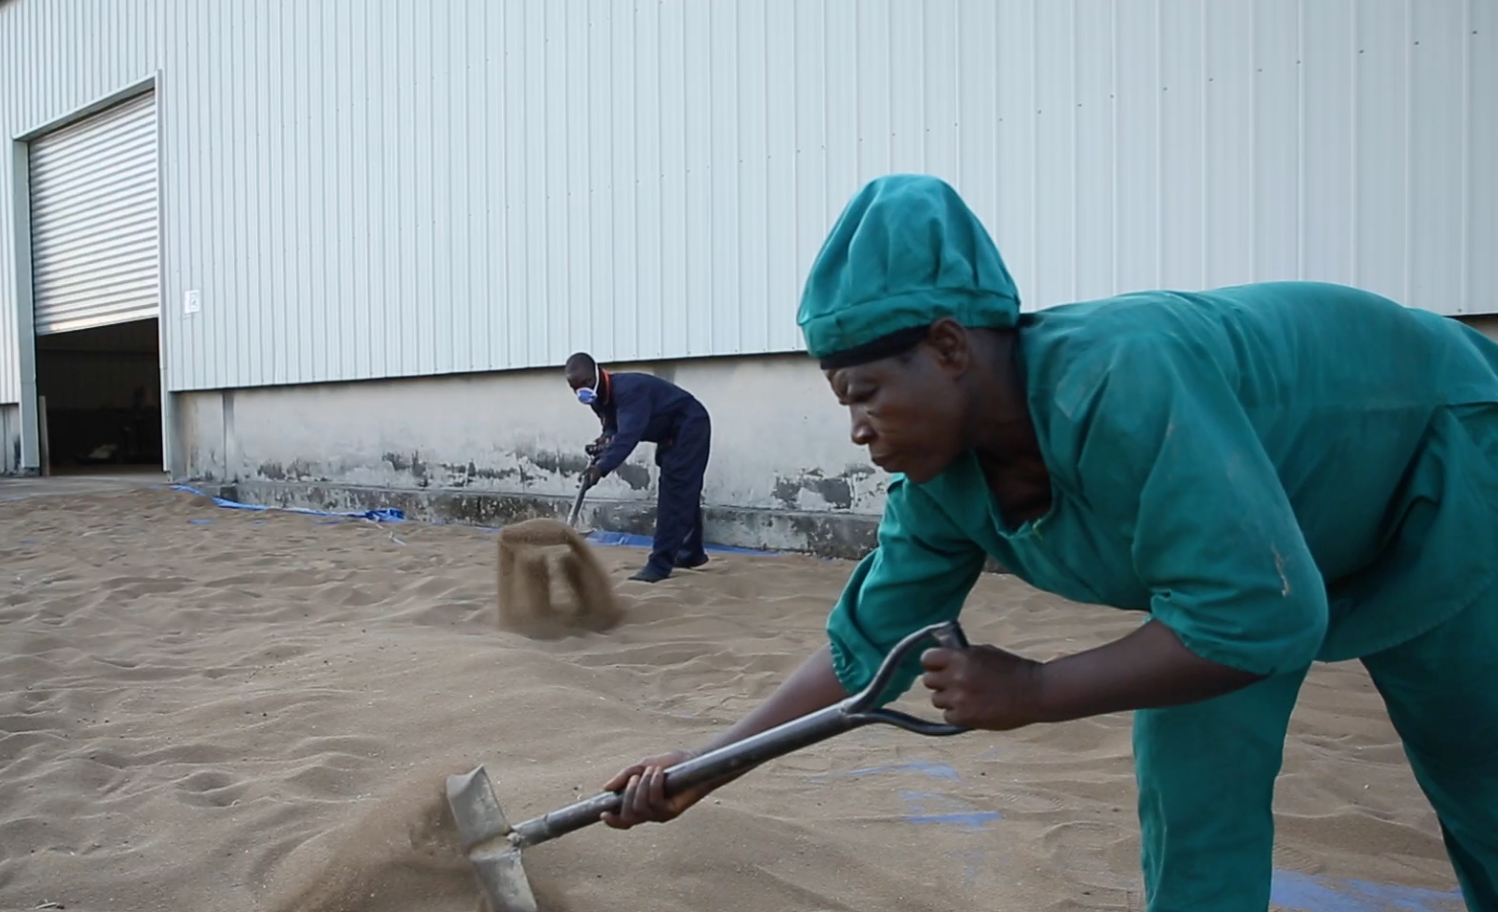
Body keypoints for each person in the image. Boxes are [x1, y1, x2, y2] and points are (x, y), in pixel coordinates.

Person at [593, 174, 1498, 911]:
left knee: (1477, 772)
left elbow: (1266, 611)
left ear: (949, 347)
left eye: (865, 393)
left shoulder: (1121, 380)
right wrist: (712, 764)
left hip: (1432, 466)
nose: (858, 430)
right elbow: (868, 649)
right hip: (1241, 570)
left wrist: (1035, 688)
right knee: (1193, 795)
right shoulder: (940, 483)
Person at [565, 352, 712, 583]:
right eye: (574, 388)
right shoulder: (598, 398)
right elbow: (613, 428)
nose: (581, 391)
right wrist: (604, 441)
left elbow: (627, 437)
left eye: (584, 383)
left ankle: (659, 565)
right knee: (683, 490)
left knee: (674, 492)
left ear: (596, 373)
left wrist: (600, 468)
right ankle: (691, 553)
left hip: (690, 425)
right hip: (669, 433)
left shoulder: (629, 390)